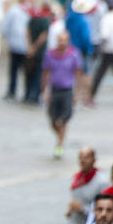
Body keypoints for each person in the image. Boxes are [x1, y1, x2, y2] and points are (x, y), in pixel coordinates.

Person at [42, 31, 84, 159]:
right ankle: (61, 136)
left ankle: (59, 145)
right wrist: (44, 90)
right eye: (60, 40)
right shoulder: (50, 55)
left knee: (64, 120)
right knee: (53, 120)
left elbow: (78, 74)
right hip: (54, 90)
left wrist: (77, 93)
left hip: (67, 91)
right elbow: (46, 73)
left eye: (64, 40)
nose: (62, 43)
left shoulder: (74, 54)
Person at [3, 0, 34, 100]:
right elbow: (7, 26)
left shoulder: (30, 11)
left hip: (23, 46)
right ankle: (14, 91)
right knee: (16, 70)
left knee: (21, 70)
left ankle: (19, 92)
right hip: (18, 45)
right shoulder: (15, 10)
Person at [24, 4, 53, 104]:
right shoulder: (45, 20)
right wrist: (35, 47)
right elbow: (43, 36)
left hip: (31, 51)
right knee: (38, 75)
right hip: (39, 52)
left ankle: (27, 95)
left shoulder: (33, 18)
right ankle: (35, 97)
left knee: (29, 74)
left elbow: (27, 32)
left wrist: (30, 47)